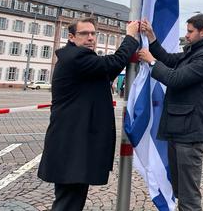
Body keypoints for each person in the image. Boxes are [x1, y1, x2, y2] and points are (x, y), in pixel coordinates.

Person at [37, 17, 139, 211]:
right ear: (72, 37)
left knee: (73, 199)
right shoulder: (76, 57)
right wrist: (130, 37)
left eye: (93, 33)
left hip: (75, 142)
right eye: (84, 34)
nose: (91, 38)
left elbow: (109, 70)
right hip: (72, 143)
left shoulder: (78, 58)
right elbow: (114, 62)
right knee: (68, 201)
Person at [138, 14, 203, 210]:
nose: (186, 35)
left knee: (189, 197)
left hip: (191, 134)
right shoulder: (194, 52)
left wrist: (151, 62)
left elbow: (175, 78)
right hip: (179, 130)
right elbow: (167, 59)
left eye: (190, 31)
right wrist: (151, 38)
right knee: (179, 191)